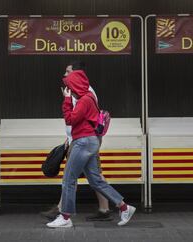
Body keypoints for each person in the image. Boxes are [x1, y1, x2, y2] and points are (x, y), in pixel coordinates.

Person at [46, 63, 136, 228]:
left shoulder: (84, 100)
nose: (68, 90)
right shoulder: (88, 97)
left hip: (83, 141)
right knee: (96, 181)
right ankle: (124, 208)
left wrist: (66, 101)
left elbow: (70, 120)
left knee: (68, 179)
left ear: (75, 85)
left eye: (69, 86)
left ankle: (65, 218)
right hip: (90, 141)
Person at [41, 61, 112, 221]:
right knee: (91, 176)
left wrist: (66, 100)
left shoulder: (83, 93)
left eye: (68, 72)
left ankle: (62, 211)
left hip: (82, 141)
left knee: (73, 176)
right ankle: (106, 208)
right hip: (81, 139)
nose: (64, 75)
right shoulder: (80, 90)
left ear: (77, 74)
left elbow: (73, 118)